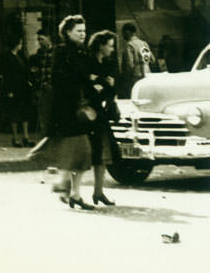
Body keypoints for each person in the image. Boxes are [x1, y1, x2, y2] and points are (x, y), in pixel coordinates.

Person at [47, 14, 94, 210]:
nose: (83, 34)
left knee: (82, 151)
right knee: (79, 149)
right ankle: (64, 184)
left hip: (77, 107)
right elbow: (59, 79)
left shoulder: (81, 51)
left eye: (84, 31)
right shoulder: (62, 51)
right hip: (66, 108)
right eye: (78, 31)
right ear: (67, 32)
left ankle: (72, 192)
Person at [86, 30, 121, 206]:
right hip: (87, 114)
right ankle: (70, 190)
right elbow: (88, 85)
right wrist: (101, 83)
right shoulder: (88, 62)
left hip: (100, 113)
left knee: (102, 153)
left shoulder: (106, 64)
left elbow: (110, 90)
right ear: (101, 45)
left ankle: (98, 191)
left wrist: (105, 84)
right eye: (110, 45)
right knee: (84, 154)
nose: (112, 49)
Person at [0, 35, 34, 147]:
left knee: (25, 112)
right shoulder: (5, 57)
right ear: (16, 44)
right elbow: (5, 74)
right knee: (14, 113)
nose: (21, 45)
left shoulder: (21, 55)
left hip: (23, 88)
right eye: (20, 43)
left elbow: (26, 68)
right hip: (12, 88)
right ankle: (15, 137)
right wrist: (8, 90)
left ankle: (26, 137)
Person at [28, 30, 54, 134]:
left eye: (42, 39)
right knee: (42, 110)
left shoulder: (55, 53)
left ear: (49, 39)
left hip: (53, 87)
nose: (40, 42)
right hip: (41, 87)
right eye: (39, 39)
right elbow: (33, 72)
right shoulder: (37, 56)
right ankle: (45, 132)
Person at [119, 23, 154, 97]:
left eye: (123, 33)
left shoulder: (129, 45)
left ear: (127, 32)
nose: (122, 35)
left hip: (134, 77)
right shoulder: (144, 43)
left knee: (135, 96)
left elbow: (129, 65)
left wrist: (125, 79)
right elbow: (152, 60)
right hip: (147, 74)